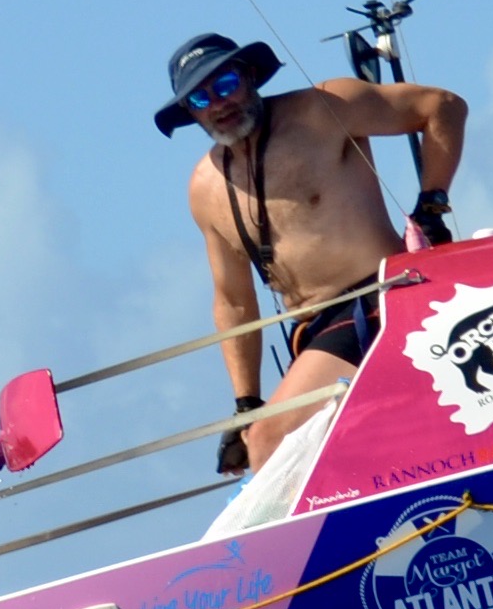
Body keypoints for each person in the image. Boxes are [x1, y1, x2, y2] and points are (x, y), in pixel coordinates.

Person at [159, 32, 467, 474]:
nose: (219, 103)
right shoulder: (204, 187)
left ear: (248, 76)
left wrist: (432, 204)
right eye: (201, 97)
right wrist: (246, 403)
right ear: (190, 111)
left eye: (225, 85)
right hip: (313, 335)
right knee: (267, 436)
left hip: (381, 299)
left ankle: (279, 544)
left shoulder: (325, 108)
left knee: (271, 439)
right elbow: (233, 300)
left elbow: (443, 106)